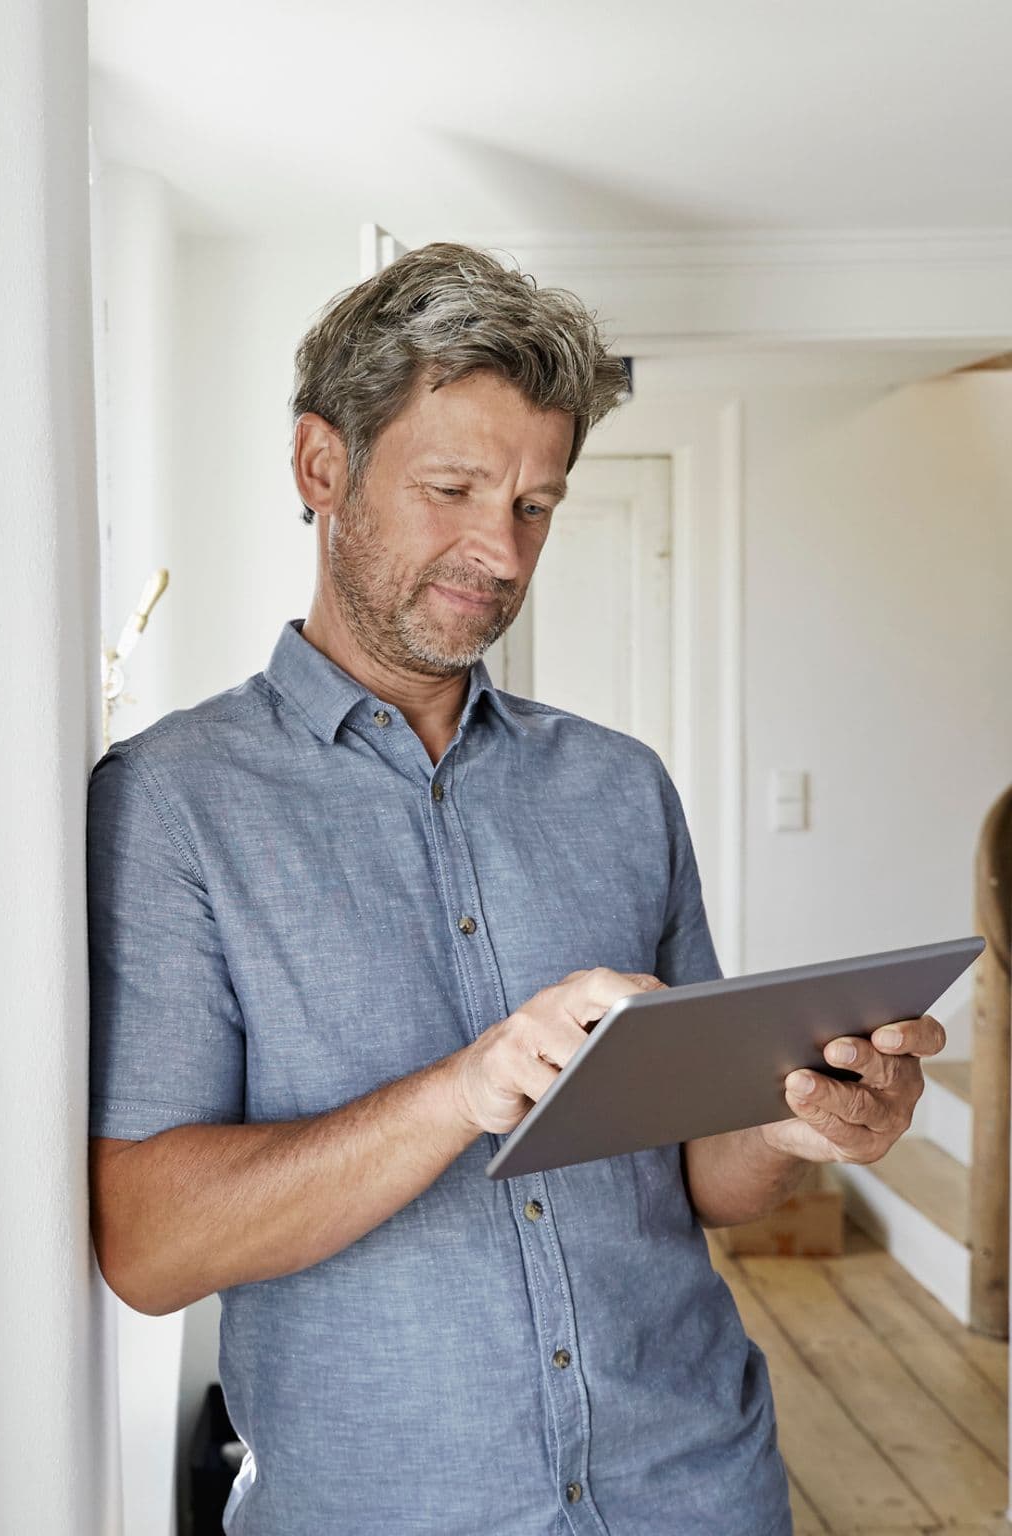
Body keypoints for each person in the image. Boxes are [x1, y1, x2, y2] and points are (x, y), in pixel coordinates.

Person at [85, 242, 944, 1535]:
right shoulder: (170, 801)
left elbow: (705, 1178)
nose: (499, 548)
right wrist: (461, 1090)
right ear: (323, 466)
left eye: (536, 505)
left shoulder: (618, 787)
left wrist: (799, 1125)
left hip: (700, 1484)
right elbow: (153, 1248)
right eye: (453, 488)